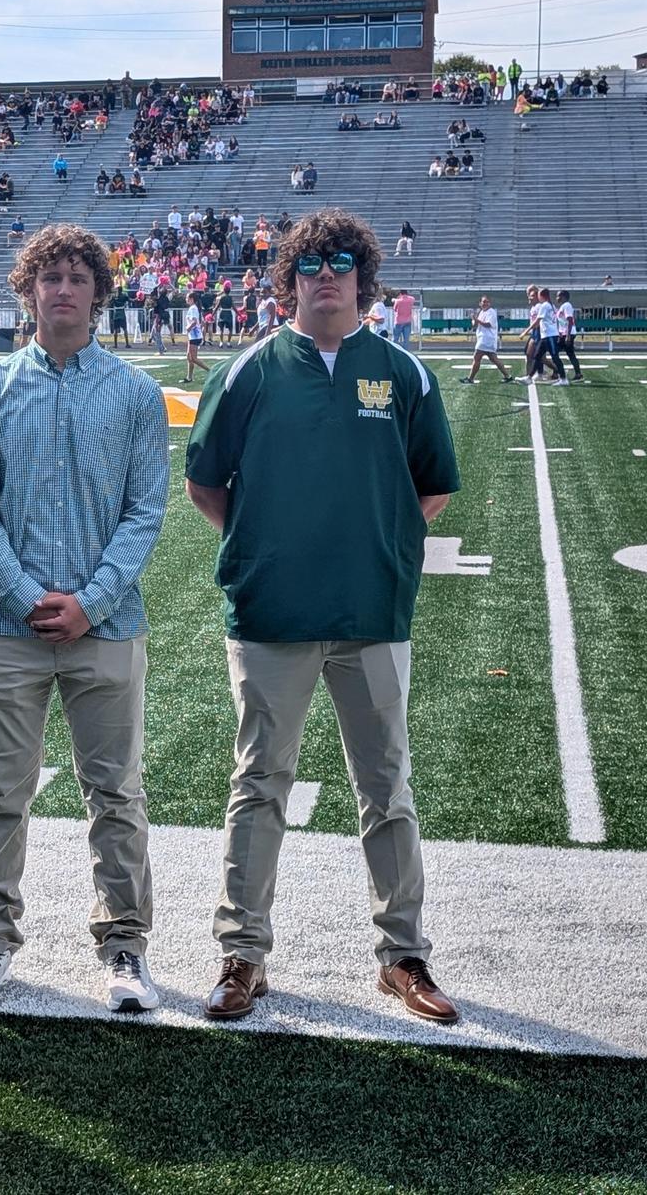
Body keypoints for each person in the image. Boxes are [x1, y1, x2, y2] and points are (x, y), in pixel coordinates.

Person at [184, 210, 462, 1026]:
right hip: (272, 614)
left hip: (373, 613)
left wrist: (376, 545)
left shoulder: (402, 373)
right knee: (258, 783)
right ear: (290, 278)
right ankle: (243, 956)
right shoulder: (250, 370)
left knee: (387, 787)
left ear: (363, 277)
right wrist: (268, 545)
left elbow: (433, 485)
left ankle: (402, 956)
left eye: (342, 261)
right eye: (310, 263)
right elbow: (207, 484)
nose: (326, 274)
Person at [0, 226, 169, 1015]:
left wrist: (90, 601)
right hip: (6, 629)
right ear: (28, 290)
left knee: (115, 794)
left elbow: (146, 512)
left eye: (78, 276)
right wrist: (23, 595)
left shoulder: (138, 394)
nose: (64, 289)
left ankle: (123, 947)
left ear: (99, 292)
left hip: (107, 628)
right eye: (50, 277)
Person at [460, 296, 515, 384]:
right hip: (483, 338)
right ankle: (508, 376)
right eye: (483, 302)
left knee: (477, 357)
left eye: (487, 302)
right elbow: (475, 325)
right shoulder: (481, 312)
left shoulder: (491, 312)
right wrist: (474, 320)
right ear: (480, 303)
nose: (485, 303)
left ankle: (470, 378)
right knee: (493, 358)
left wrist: (477, 320)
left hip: (487, 339)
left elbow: (488, 324)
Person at [554, 290, 584, 382]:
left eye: (558, 296)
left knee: (558, 353)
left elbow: (570, 321)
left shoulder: (567, 306)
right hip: (564, 333)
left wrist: (567, 335)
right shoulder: (563, 306)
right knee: (563, 353)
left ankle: (560, 373)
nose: (557, 298)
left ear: (563, 297)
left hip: (568, 333)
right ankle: (559, 372)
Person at [182, 293, 209, 383]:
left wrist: (188, 328)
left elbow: (194, 322)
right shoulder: (193, 308)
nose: (186, 299)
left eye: (187, 298)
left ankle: (211, 371)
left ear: (192, 299)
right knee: (189, 357)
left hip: (195, 336)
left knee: (193, 358)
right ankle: (189, 377)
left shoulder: (193, 308)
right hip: (192, 336)